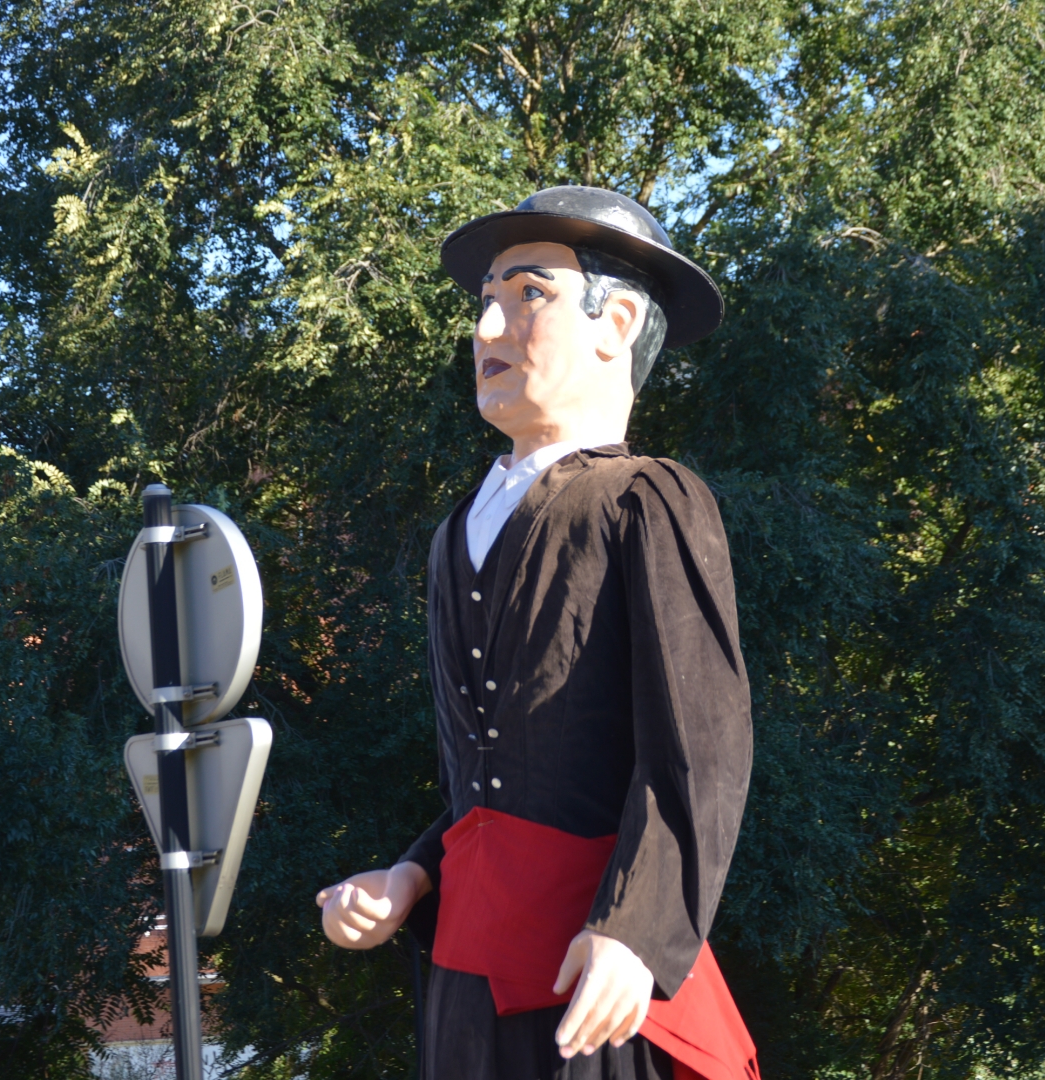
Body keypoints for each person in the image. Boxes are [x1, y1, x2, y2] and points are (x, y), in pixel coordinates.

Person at [315, 186, 757, 1080]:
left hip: (595, 972)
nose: (485, 328)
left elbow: (699, 749)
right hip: (469, 975)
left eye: (527, 295)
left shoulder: (648, 498)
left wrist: (638, 935)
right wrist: (410, 876)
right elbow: (490, 779)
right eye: (485, 300)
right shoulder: (455, 532)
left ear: (618, 322)